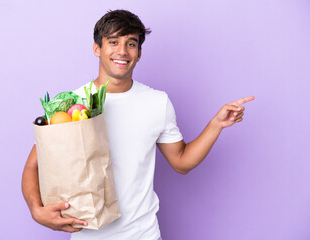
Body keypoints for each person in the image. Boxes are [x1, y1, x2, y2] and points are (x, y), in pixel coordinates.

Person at [22, 9, 255, 240]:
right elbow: (34, 165)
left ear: (139, 53)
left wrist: (216, 125)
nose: (122, 51)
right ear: (97, 48)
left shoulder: (157, 102)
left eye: (131, 44)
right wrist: (36, 210)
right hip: (88, 236)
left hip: (143, 234)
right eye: (113, 42)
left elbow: (181, 162)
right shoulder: (72, 103)